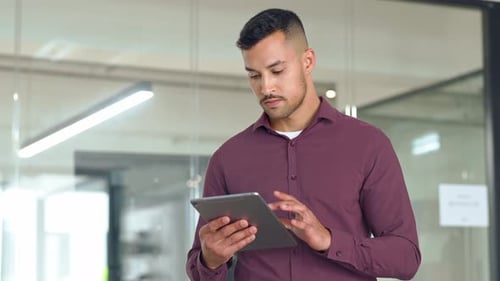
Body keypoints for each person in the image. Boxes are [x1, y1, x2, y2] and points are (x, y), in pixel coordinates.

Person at [186, 8, 421, 281]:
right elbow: (199, 268)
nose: (266, 87)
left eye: (277, 70)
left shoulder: (368, 145)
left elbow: (406, 258)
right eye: (254, 75)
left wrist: (329, 241)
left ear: (308, 61)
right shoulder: (228, 159)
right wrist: (210, 258)